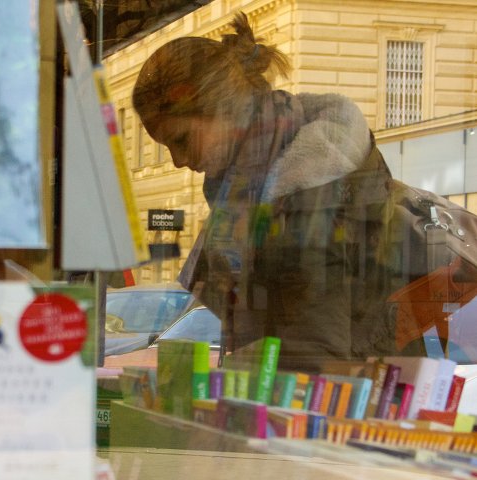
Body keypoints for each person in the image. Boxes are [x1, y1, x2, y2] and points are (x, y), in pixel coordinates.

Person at [132, 13, 437, 370]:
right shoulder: (253, 192)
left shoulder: (306, 200)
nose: (179, 161)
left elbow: (314, 361)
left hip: (337, 411)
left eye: (183, 139)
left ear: (222, 110)